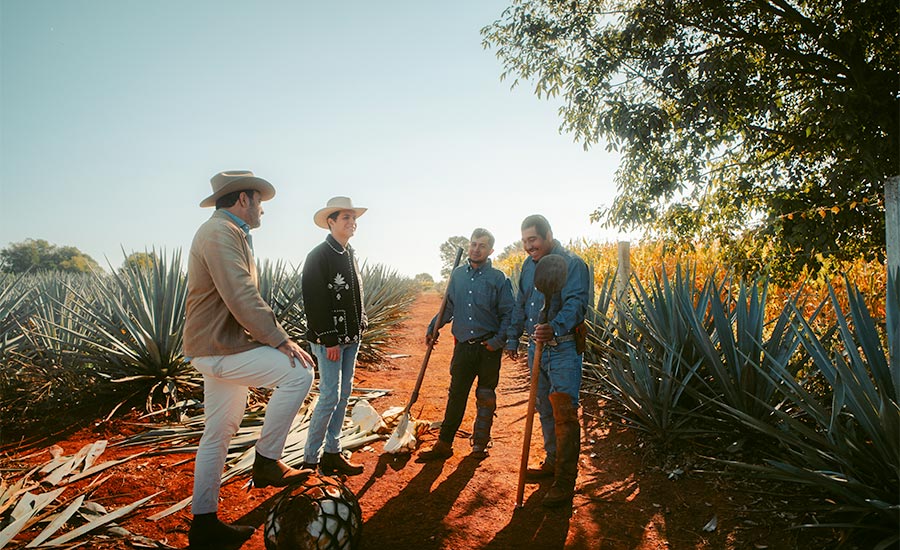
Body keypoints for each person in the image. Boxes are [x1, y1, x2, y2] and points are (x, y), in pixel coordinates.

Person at [184, 170, 317, 548]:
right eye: (259, 200)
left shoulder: (226, 232)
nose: (262, 209)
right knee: (299, 372)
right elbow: (241, 295)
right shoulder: (221, 233)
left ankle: (204, 525)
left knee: (217, 435)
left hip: (215, 348)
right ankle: (267, 461)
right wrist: (279, 339)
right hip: (219, 349)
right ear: (243, 199)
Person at [506, 214, 591, 507]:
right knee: (543, 407)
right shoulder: (528, 268)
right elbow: (521, 304)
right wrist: (513, 337)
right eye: (525, 241)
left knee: (564, 413)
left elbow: (577, 303)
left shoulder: (572, 264)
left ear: (549, 235)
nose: (529, 246)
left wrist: (554, 326)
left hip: (563, 349)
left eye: (534, 239)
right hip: (536, 349)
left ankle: (565, 481)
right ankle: (552, 462)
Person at [418, 228, 514, 461]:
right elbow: (448, 307)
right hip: (462, 346)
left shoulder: (498, 278)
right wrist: (434, 328)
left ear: (490, 250)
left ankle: (480, 444)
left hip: (488, 347)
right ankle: (444, 443)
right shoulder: (458, 275)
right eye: (473, 244)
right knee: (456, 394)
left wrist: (498, 341)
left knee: (485, 396)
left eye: (481, 245)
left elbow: (508, 314)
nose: (476, 249)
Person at [301, 196, 368, 476]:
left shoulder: (349, 252)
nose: (352, 223)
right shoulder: (319, 255)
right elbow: (314, 299)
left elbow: (356, 293)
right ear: (331, 222)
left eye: (354, 218)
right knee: (329, 396)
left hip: (351, 338)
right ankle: (309, 460)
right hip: (330, 342)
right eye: (346, 218)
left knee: (343, 395)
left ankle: (332, 452)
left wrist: (361, 322)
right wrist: (329, 339)